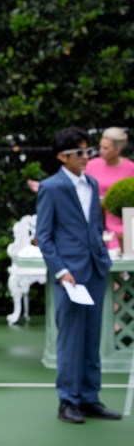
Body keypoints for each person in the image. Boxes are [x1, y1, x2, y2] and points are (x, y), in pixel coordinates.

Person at [36, 127, 123, 424]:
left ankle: (89, 398)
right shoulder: (51, 187)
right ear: (62, 157)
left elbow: (94, 227)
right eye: (79, 153)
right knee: (70, 339)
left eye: (88, 151)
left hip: (96, 269)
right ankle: (68, 401)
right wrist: (61, 271)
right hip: (69, 276)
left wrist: (102, 253)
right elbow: (44, 237)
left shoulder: (93, 183)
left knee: (91, 336)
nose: (86, 157)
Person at [85, 126, 134, 250]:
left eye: (106, 148)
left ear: (118, 149)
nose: (101, 150)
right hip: (96, 219)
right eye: (100, 146)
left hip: (122, 222)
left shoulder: (130, 168)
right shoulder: (91, 165)